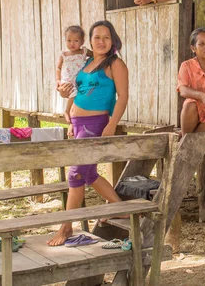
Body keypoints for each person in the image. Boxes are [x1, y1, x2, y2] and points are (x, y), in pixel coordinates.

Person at [48, 20, 129, 246]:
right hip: (77, 122)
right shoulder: (87, 62)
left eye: (105, 37)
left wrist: (112, 123)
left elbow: (122, 97)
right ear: (90, 41)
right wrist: (65, 96)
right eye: (96, 37)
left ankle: (65, 227)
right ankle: (119, 208)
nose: (101, 41)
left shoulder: (115, 65)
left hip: (96, 123)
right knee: (89, 173)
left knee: (75, 174)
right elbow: (76, 90)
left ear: (112, 40)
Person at [55, 25, 92, 133]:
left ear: (82, 41)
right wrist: (57, 80)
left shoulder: (84, 52)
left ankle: (72, 118)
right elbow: (58, 68)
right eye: (69, 40)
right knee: (74, 94)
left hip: (80, 80)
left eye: (76, 40)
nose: (72, 43)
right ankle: (67, 111)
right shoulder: (64, 55)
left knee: (79, 95)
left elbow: (96, 56)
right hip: (68, 81)